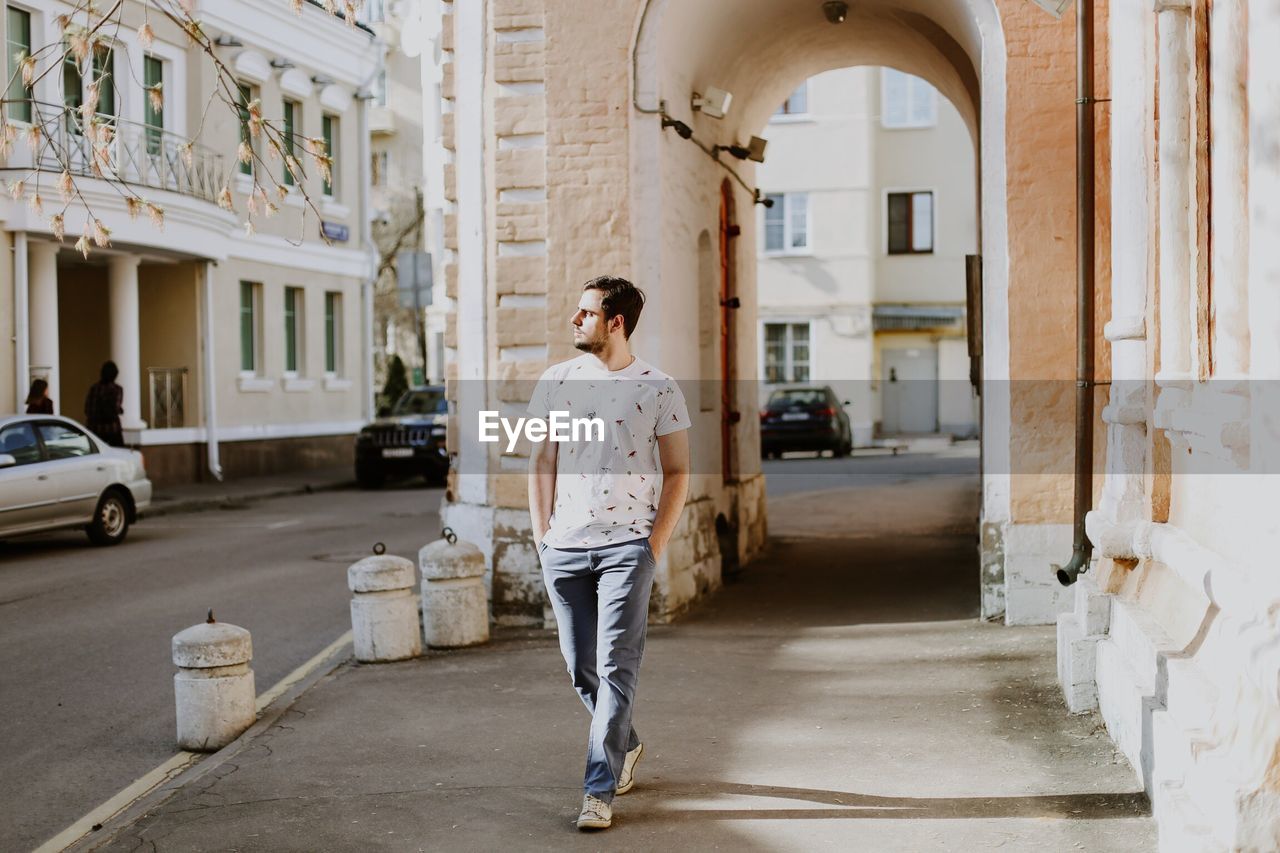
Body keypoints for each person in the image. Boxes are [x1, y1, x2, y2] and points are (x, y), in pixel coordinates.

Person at [527, 275, 691, 831]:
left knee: (616, 667)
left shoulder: (659, 388)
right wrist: (541, 537)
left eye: (585, 313)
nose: (574, 321)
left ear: (614, 322)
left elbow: (678, 472)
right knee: (582, 669)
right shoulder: (556, 381)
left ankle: (598, 791)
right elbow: (542, 462)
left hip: (627, 548)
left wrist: (653, 545)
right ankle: (626, 743)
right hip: (565, 547)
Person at [84, 361, 125, 447]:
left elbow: (87, 409)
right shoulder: (117, 389)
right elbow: (116, 408)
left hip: (94, 430)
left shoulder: (94, 388)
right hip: (112, 430)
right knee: (120, 454)